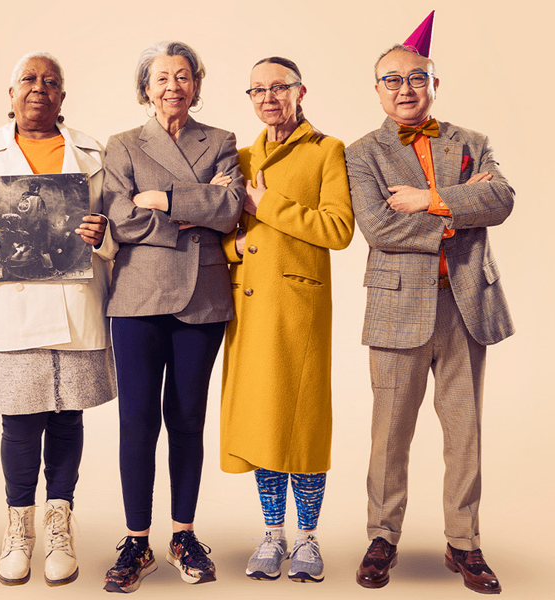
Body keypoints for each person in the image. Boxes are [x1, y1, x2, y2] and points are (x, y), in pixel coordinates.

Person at [345, 27, 515, 595]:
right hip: (397, 306)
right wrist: (460, 210)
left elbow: (501, 200)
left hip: (466, 304)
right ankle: (382, 536)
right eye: (392, 80)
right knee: (390, 433)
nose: (406, 88)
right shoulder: (362, 153)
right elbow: (378, 227)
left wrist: (428, 199)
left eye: (417, 78)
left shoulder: (472, 141)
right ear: (377, 89)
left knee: (465, 433)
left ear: (434, 84)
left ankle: (464, 541)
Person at [0, 51, 117, 588]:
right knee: (18, 421)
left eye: (51, 81)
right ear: (11, 93)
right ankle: (19, 531)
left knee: (66, 417)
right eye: (29, 80)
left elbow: (121, 224)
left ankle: (59, 526)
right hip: (12, 306)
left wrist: (103, 235)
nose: (39, 87)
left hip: (74, 302)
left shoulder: (93, 152)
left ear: (62, 97)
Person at [100, 40, 242, 593]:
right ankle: (137, 541)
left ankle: (184, 535)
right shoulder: (122, 144)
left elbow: (230, 211)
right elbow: (118, 216)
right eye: (161, 78)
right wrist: (192, 207)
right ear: (146, 88)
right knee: (136, 420)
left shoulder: (221, 140)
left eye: (183, 77)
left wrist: (159, 198)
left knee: (187, 418)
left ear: (196, 85)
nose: (172, 87)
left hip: (202, 298)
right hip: (137, 297)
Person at [218, 57, 354, 584]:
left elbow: (338, 229)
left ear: (301, 92)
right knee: (264, 421)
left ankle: (307, 538)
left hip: (299, 310)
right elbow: (219, 233)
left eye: (279, 88)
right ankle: (273, 535)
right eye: (257, 89)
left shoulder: (327, 151)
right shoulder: (240, 157)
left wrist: (267, 204)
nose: (268, 97)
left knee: (304, 422)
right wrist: (235, 247)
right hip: (249, 311)